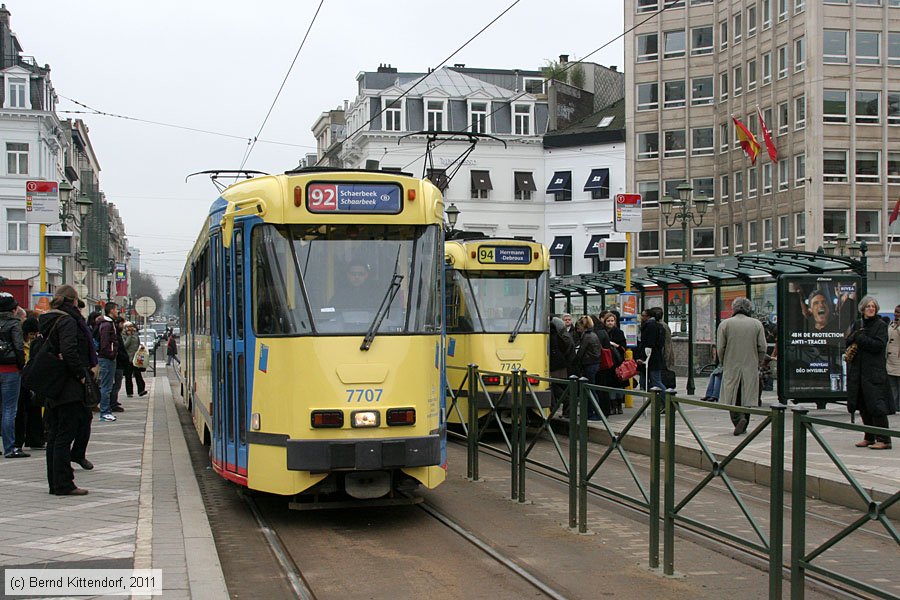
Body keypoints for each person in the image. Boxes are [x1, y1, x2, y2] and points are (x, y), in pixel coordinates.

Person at [41, 285, 94, 495]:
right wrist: (81, 375)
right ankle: (64, 483)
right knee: (65, 434)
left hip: (53, 384)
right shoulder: (68, 321)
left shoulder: (47, 319)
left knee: (55, 434)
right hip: (68, 386)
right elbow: (69, 350)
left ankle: (55, 482)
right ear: (73, 301)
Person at [846, 296, 893, 450]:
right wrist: (855, 337)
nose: (871, 309)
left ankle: (884, 439)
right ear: (863, 309)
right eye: (868, 306)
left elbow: (878, 345)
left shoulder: (880, 325)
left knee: (877, 406)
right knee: (863, 405)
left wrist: (860, 337)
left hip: (874, 372)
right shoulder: (858, 324)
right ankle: (869, 436)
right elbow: (848, 340)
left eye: (873, 306)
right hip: (858, 372)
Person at [717, 297, 767, 436]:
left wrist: (723, 361)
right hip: (750, 365)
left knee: (732, 395)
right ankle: (745, 418)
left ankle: (738, 419)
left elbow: (720, 347)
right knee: (748, 395)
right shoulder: (756, 324)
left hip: (731, 364)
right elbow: (762, 346)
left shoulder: (725, 324)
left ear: (734, 308)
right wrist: (759, 361)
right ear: (748, 308)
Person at [0, 292, 26, 458]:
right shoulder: (14, 323)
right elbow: (18, 346)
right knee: (10, 409)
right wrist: (21, 364)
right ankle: (10, 447)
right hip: (10, 370)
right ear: (14, 309)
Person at [14, 317, 44, 450]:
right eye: (31, 334)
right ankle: (19, 440)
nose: (33, 337)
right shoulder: (19, 343)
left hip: (32, 379)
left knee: (35, 408)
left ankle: (35, 439)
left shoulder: (37, 343)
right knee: (20, 410)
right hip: (20, 378)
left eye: (35, 334)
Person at [574, 316, 602, 420]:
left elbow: (581, 352)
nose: (578, 329)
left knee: (590, 390)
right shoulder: (593, 335)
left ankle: (596, 414)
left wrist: (576, 361)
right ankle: (590, 412)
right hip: (594, 363)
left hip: (589, 364)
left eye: (579, 326)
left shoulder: (587, 336)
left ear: (583, 326)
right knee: (590, 389)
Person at [95, 302, 119, 422]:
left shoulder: (108, 324)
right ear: (111, 311)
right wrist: (111, 354)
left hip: (107, 358)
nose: (118, 312)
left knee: (107, 386)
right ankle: (104, 412)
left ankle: (106, 410)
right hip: (106, 359)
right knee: (106, 386)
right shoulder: (107, 325)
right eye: (116, 309)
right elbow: (105, 343)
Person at [548, 316, 575, 417]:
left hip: (556, 367)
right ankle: (566, 410)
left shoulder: (554, 336)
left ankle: (564, 408)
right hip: (562, 366)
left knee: (555, 387)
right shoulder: (563, 335)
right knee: (560, 387)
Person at [602, 312, 628, 414]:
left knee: (619, 384)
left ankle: (619, 405)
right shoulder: (603, 332)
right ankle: (612, 405)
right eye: (608, 321)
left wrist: (614, 345)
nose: (610, 323)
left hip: (618, 361)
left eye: (612, 321)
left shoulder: (619, 332)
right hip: (608, 362)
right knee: (610, 384)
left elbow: (623, 347)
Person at [636, 309, 666, 392]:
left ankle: (669, 400)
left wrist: (642, 357)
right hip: (654, 357)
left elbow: (648, 343)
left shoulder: (650, 326)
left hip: (651, 357)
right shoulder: (658, 326)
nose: (641, 317)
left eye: (643, 315)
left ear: (648, 317)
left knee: (656, 381)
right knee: (652, 381)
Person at [122, 322, 147, 398]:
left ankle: (141, 390)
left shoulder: (135, 335)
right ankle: (129, 392)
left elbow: (138, 343)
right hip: (128, 358)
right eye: (128, 327)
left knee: (138, 374)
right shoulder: (123, 335)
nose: (130, 328)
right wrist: (129, 336)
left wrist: (141, 348)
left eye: (131, 326)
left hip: (136, 358)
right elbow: (125, 345)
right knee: (128, 376)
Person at [109, 317, 128, 412]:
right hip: (118, 363)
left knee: (116, 384)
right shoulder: (116, 335)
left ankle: (113, 402)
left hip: (119, 362)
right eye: (122, 324)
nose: (123, 327)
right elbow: (119, 349)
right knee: (116, 384)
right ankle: (112, 404)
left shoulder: (117, 334)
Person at [887, 305, 900, 414]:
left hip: (898, 360)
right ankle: (894, 406)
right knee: (892, 386)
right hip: (890, 360)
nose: (896, 314)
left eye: (899, 312)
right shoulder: (891, 324)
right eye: (895, 312)